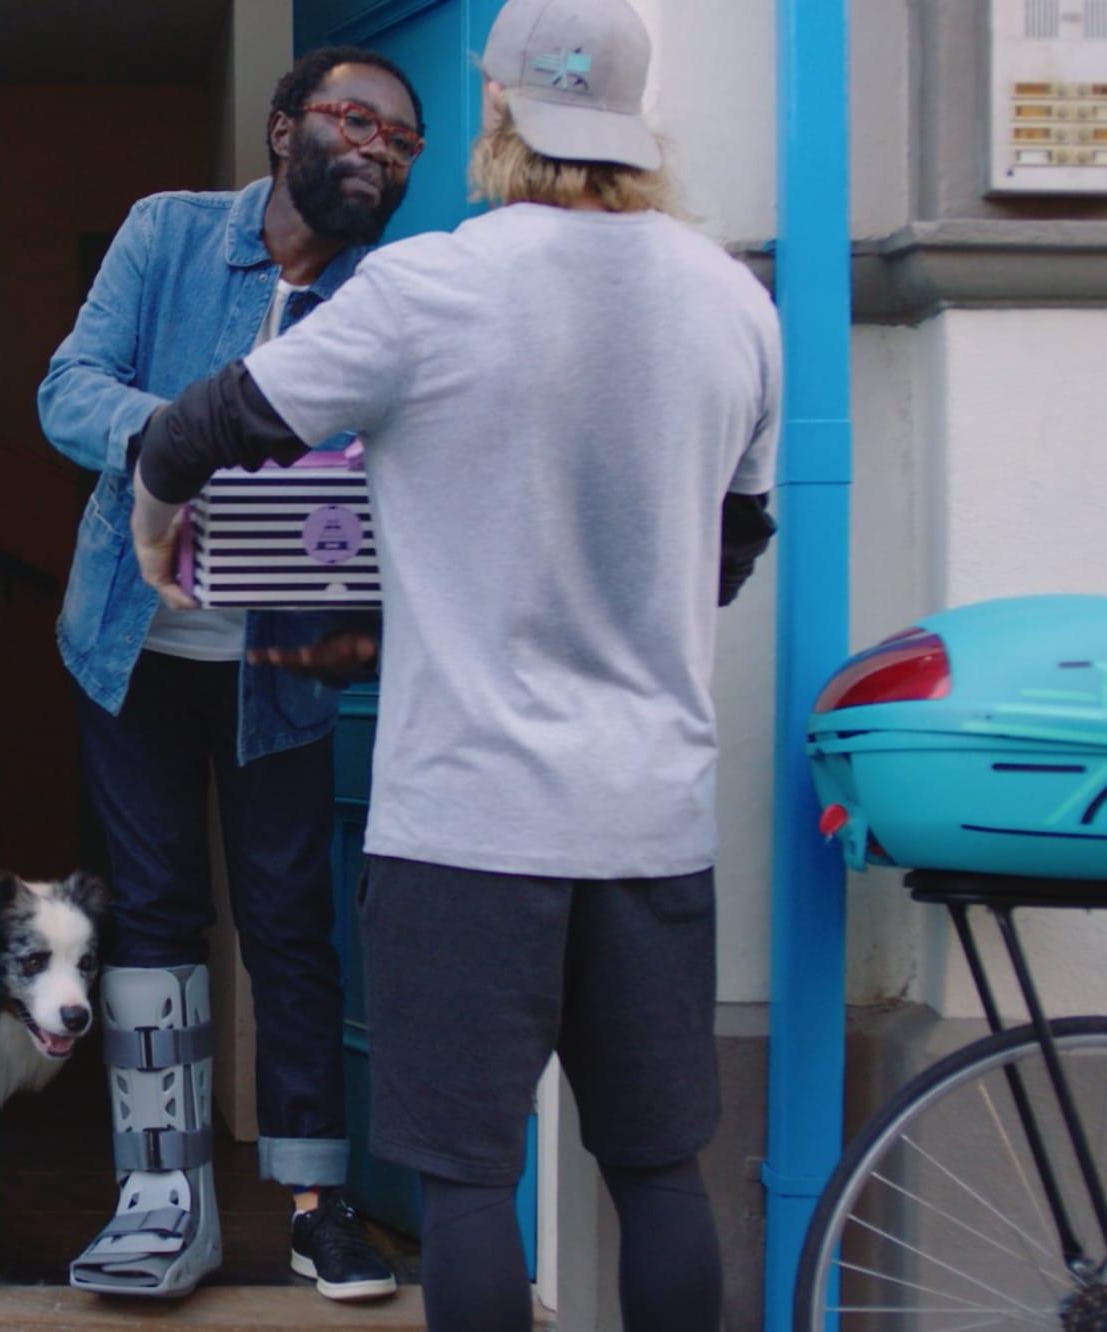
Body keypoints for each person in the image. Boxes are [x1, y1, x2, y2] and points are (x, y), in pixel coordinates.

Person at [121, 1, 782, 1327]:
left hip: (467, 823)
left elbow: (205, 428)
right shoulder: (734, 301)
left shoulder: (436, 286)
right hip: (650, 818)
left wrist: (157, 534)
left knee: (470, 1181)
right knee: (658, 1173)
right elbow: (734, 543)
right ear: (633, 126)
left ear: (495, 117)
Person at [34, 46, 422, 1302]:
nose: (374, 147)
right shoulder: (169, 235)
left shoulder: (395, 293)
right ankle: (162, 1193)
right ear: (281, 130)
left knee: (290, 922)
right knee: (152, 909)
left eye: (401, 140)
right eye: (352, 119)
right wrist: (188, 442)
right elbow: (65, 391)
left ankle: (318, 1203)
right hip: (131, 643)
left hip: (295, 653)